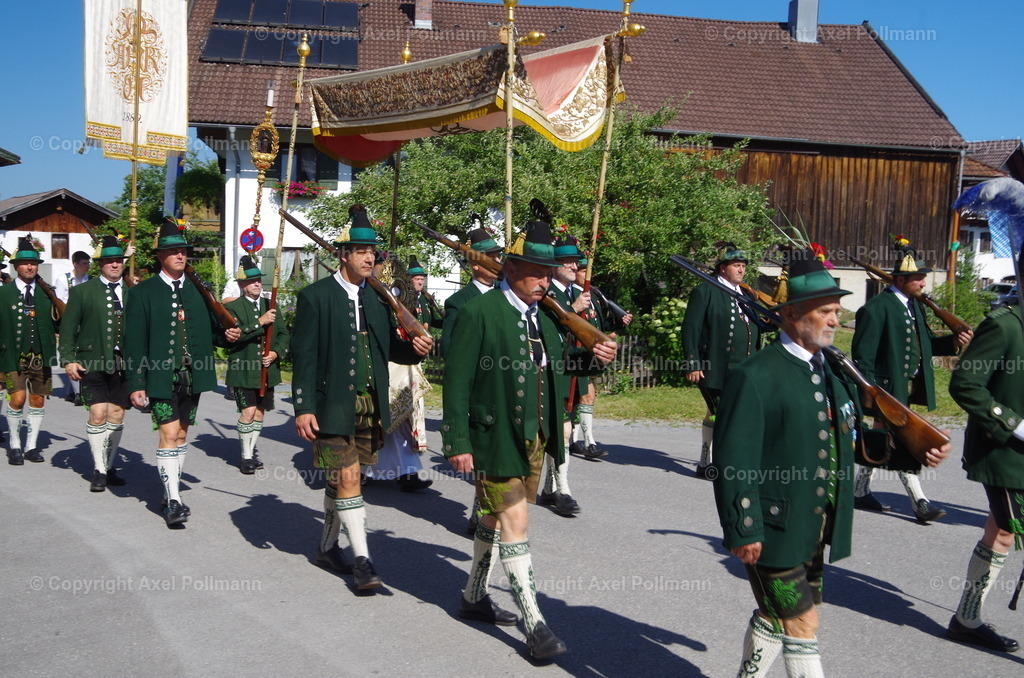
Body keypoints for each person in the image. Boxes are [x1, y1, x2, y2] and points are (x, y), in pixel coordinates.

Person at [712, 253, 950, 677]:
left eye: (837, 311)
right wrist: (743, 528)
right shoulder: (756, 375)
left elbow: (847, 439)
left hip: (814, 526)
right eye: (824, 311)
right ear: (790, 313)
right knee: (803, 624)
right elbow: (734, 460)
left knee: (776, 616)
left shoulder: (835, 371)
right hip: (774, 529)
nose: (835, 320)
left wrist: (909, 451)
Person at [442, 216, 616, 660]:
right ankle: (535, 625)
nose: (544, 281)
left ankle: (473, 596)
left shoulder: (548, 318)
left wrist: (595, 356)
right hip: (493, 437)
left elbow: (561, 367)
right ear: (511, 269)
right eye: (536, 273)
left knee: (494, 519)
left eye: (547, 273)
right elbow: (456, 380)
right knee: (516, 523)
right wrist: (457, 442)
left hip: (535, 436)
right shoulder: (478, 311)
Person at [292, 205, 432, 591]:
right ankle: (363, 561)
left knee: (342, 480)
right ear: (343, 255)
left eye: (373, 252)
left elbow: (388, 349)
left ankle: (326, 548)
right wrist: (303, 407)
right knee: (350, 478)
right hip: (330, 407)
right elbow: (303, 357)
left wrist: (415, 349)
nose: (370, 258)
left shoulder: (377, 299)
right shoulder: (315, 297)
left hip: (371, 407)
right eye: (361, 251)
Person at [124, 220, 242, 527]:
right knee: (168, 433)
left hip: (194, 376)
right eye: (173, 251)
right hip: (160, 376)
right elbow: (133, 342)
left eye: (183, 251)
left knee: (182, 435)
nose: (180, 255)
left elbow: (210, 331)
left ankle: (170, 491)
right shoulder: (142, 293)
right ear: (160, 256)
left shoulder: (198, 291)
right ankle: (174, 500)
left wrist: (225, 336)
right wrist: (136, 382)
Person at [851, 242, 972, 522]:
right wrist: (871, 395)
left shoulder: (915, 306)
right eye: (918, 278)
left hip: (904, 389)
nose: (923, 282)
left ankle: (859, 490)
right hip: (885, 391)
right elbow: (863, 359)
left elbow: (926, 344)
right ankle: (920, 502)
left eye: (923, 277)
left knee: (884, 439)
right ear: (900, 280)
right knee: (906, 440)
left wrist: (954, 342)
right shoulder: (876, 309)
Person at [945, 303, 1024, 654]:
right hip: (1009, 455)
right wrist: (1014, 425)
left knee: (1000, 532)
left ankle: (966, 617)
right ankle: (967, 617)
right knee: (1008, 530)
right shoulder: (1004, 326)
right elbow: (966, 384)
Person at [681, 243, 763, 478]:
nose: (741, 270)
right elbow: (691, 328)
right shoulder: (705, 291)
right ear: (723, 268)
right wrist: (693, 363)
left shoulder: (747, 294)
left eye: (743, 266)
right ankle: (715, 461)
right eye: (736, 265)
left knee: (730, 413)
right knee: (721, 413)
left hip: (745, 367)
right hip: (716, 366)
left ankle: (715, 459)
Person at [59, 236, 131, 491]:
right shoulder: (82, 292)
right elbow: (68, 329)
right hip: (92, 359)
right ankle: (99, 470)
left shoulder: (133, 292)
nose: (115, 265)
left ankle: (109, 465)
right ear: (100, 264)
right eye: (109, 261)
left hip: (125, 362)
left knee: (116, 414)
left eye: (118, 260)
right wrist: (68, 360)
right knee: (98, 413)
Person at [537, 234, 595, 518]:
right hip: (553, 369)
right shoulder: (547, 294)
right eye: (567, 261)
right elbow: (546, 328)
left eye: (575, 261)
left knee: (564, 430)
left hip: (574, 369)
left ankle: (550, 486)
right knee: (563, 431)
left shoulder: (578, 292)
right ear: (554, 265)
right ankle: (563, 489)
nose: (574, 266)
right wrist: (574, 310)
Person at [223, 255, 289, 475]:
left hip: (266, 370)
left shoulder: (270, 305)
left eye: (259, 280)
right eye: (252, 281)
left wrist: (275, 353)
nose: (257, 284)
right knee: (248, 412)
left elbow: (283, 334)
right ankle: (246, 456)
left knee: (260, 414)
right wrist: (260, 322)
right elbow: (234, 337)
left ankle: (251, 451)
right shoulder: (233, 308)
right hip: (243, 369)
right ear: (242, 285)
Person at [0, 238, 59, 464]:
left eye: (33, 263)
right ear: (16, 267)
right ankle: (15, 444)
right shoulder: (4, 293)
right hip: (12, 355)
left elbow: (60, 323)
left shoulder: (47, 293)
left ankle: (31, 446)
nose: (29, 267)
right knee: (17, 399)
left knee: (38, 400)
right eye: (25, 263)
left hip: (41, 355)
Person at [567, 256, 632, 459]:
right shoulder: (570, 295)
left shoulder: (593, 296)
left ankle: (584, 441)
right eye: (583, 271)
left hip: (591, 354)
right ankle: (581, 442)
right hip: (574, 353)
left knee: (587, 396)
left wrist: (620, 322)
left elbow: (601, 325)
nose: (587, 275)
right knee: (575, 399)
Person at [440, 226, 502, 358]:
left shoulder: (506, 291)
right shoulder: (458, 302)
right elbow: (449, 349)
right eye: (492, 258)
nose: (498, 262)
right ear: (475, 264)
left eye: (498, 257)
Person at [55, 250, 91, 406]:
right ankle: (78, 393)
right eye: (84, 263)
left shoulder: (89, 280)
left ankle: (72, 391)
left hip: (86, 322)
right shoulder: (63, 280)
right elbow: (57, 304)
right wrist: (58, 327)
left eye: (88, 263)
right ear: (75, 264)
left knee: (82, 354)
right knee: (73, 355)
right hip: (70, 321)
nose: (87, 266)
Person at [408, 255, 444, 330]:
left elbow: (434, 321)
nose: (420, 282)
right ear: (409, 279)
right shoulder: (404, 297)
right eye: (417, 279)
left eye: (422, 279)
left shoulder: (425, 298)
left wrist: (450, 320)